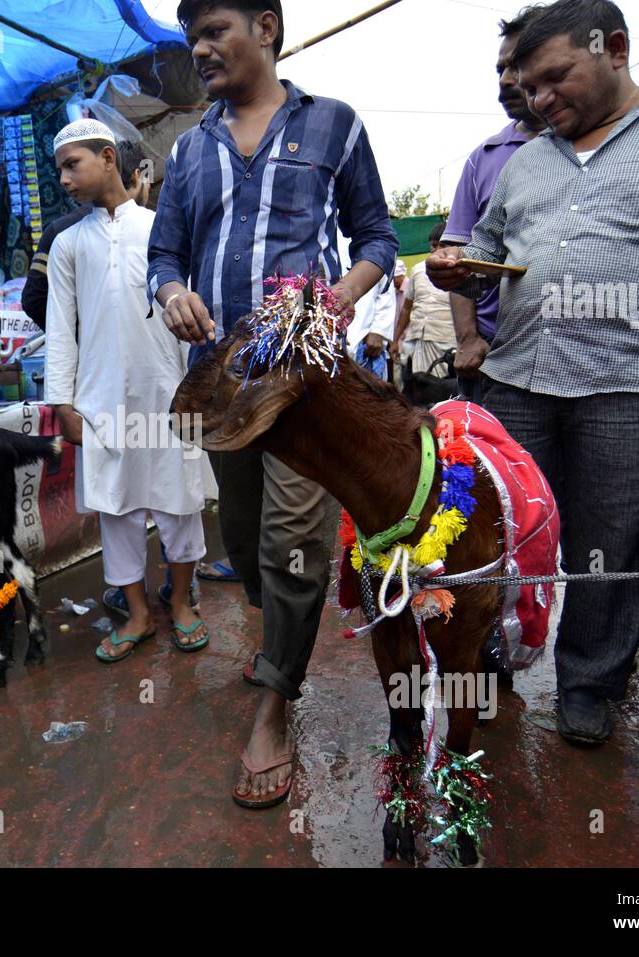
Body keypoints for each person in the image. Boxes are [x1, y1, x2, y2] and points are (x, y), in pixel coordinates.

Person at [427, 0, 639, 745]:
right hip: (516, 383)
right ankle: (492, 655)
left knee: (612, 547)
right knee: (499, 534)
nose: (540, 98)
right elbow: (485, 253)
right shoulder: (525, 159)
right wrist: (456, 268)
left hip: (632, 387)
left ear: (615, 48)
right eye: (529, 86)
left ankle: (589, 681)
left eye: (556, 78)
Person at [148, 0, 397, 808]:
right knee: (251, 538)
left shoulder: (336, 126)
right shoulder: (189, 149)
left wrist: (340, 295)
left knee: (296, 535)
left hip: (308, 378)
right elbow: (165, 251)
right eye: (192, 36)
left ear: (267, 28)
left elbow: (377, 239)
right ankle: (273, 639)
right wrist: (174, 289)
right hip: (224, 386)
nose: (201, 48)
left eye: (215, 29)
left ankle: (275, 702)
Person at [44, 119, 210, 662]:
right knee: (116, 511)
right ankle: (138, 614)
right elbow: (60, 328)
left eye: (74, 164)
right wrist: (62, 402)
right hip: (101, 399)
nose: (65, 179)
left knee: (179, 499)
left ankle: (182, 603)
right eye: (60, 168)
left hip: (168, 391)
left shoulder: (163, 230)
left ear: (109, 157)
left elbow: (192, 316)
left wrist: (200, 392)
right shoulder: (66, 244)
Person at [442, 6, 549, 405]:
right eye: (499, 70)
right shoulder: (484, 157)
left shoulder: (594, 149)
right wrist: (468, 338)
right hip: (491, 358)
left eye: (517, 67)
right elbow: (459, 258)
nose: (506, 81)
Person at [22, 139, 153, 329]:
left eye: (72, 166)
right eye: (148, 183)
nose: (64, 180)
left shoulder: (58, 229)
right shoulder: (158, 228)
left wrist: (77, 334)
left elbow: (33, 300)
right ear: (136, 176)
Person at [390, 221, 457, 384]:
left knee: (445, 390)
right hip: (418, 341)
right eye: (433, 245)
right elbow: (406, 308)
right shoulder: (418, 270)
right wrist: (395, 340)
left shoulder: (458, 273)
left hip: (447, 342)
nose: (436, 250)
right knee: (419, 391)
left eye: (441, 245)